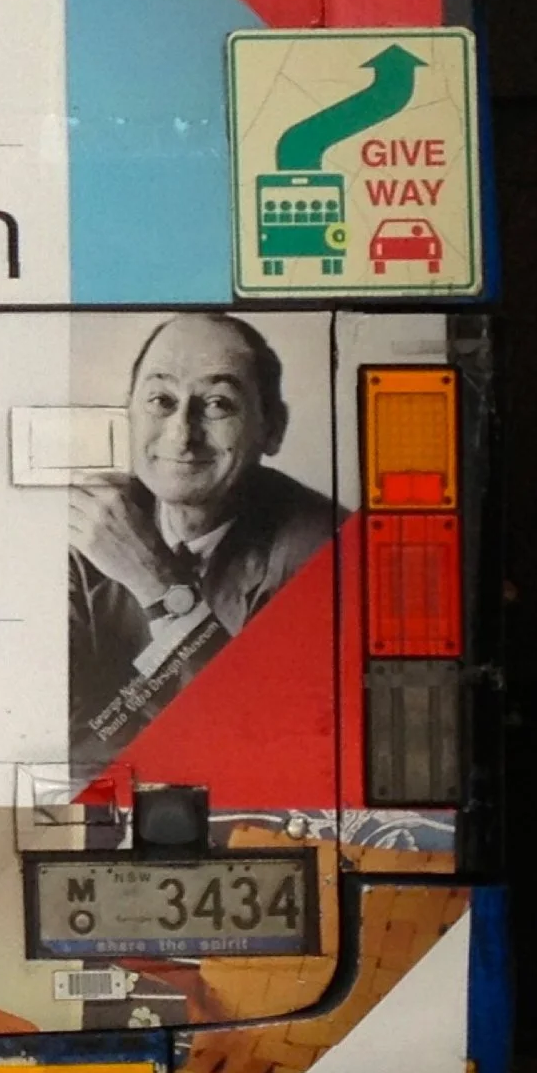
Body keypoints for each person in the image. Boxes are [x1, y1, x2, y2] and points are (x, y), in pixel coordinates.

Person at [67, 313, 334, 762]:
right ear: (128, 415)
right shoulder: (86, 525)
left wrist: (159, 587)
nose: (181, 435)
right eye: (160, 400)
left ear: (273, 429)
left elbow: (271, 749)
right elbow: (57, 735)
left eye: (217, 404)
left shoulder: (325, 551)